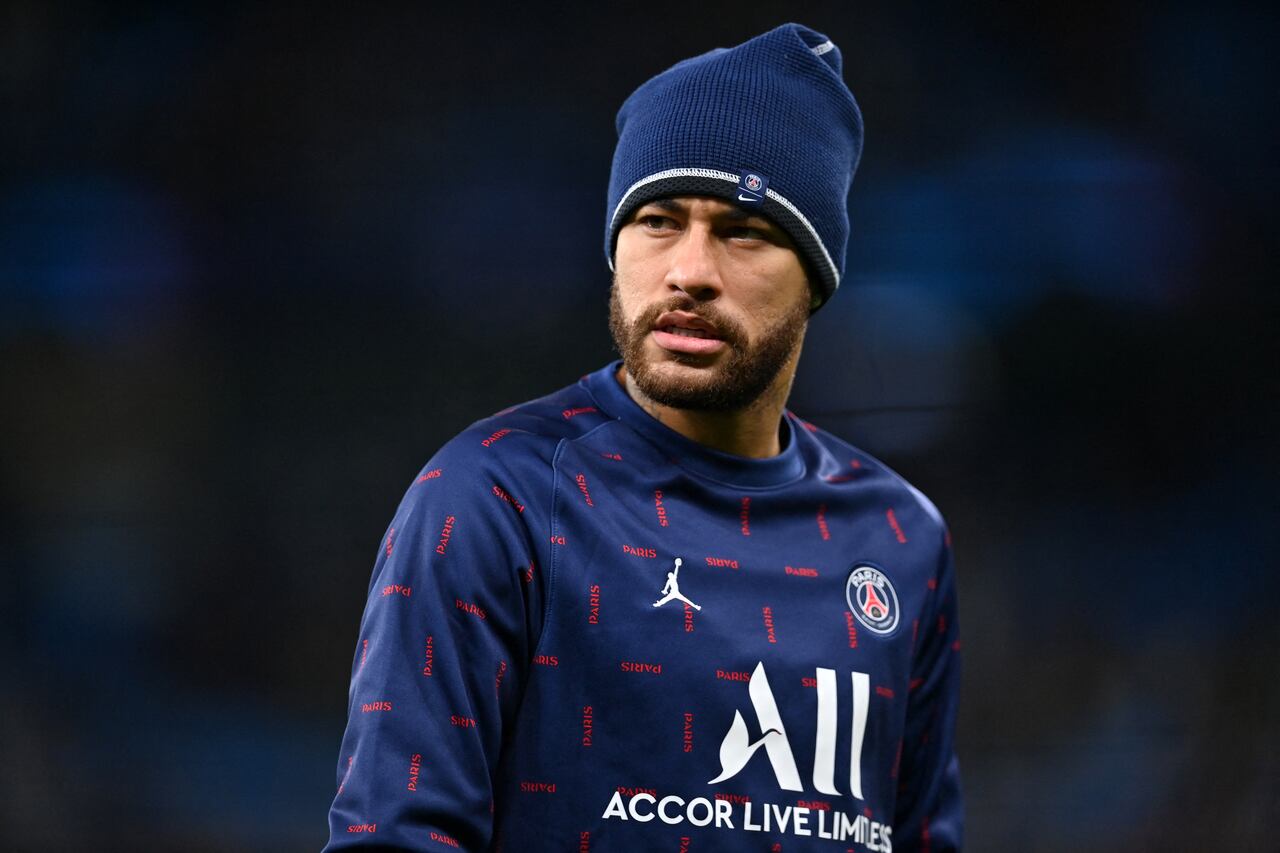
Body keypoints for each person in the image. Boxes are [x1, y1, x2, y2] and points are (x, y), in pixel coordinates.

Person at [323, 22, 962, 852]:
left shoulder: (902, 539)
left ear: (816, 273)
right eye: (659, 219)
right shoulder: (495, 500)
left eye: (744, 229)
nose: (689, 269)